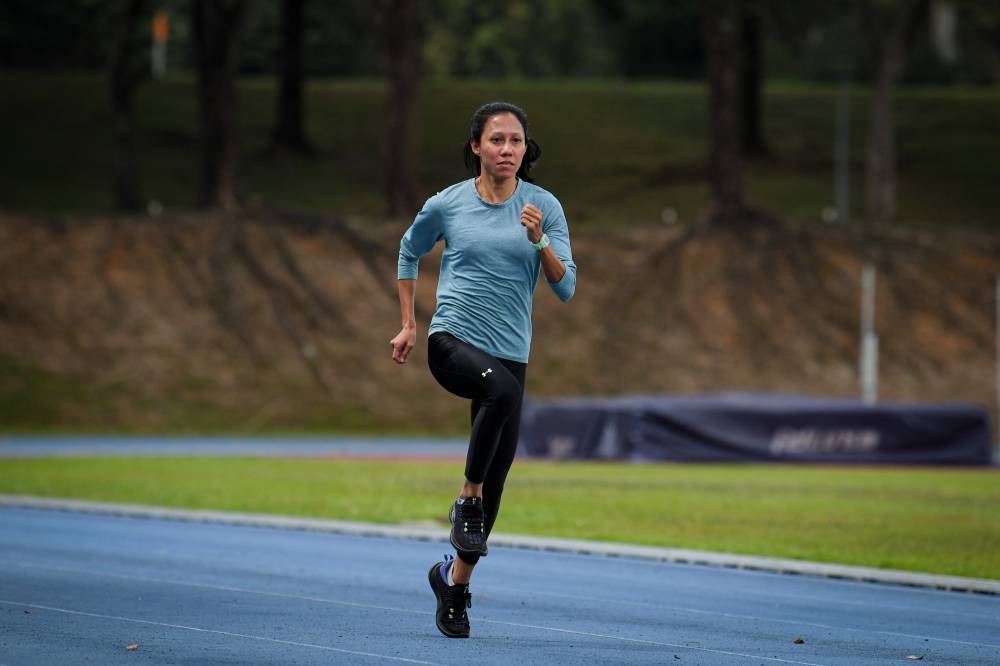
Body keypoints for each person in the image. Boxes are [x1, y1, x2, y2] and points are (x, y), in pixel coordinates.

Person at [390, 101, 576, 638]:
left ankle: (454, 584)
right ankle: (465, 497)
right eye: (496, 140)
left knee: (500, 473)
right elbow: (408, 252)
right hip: (452, 341)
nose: (507, 149)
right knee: (503, 400)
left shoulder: (543, 207)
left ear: (524, 148)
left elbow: (566, 287)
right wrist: (409, 324)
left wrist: (540, 241)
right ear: (476, 146)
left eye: (515, 141)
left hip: (511, 352)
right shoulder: (447, 204)